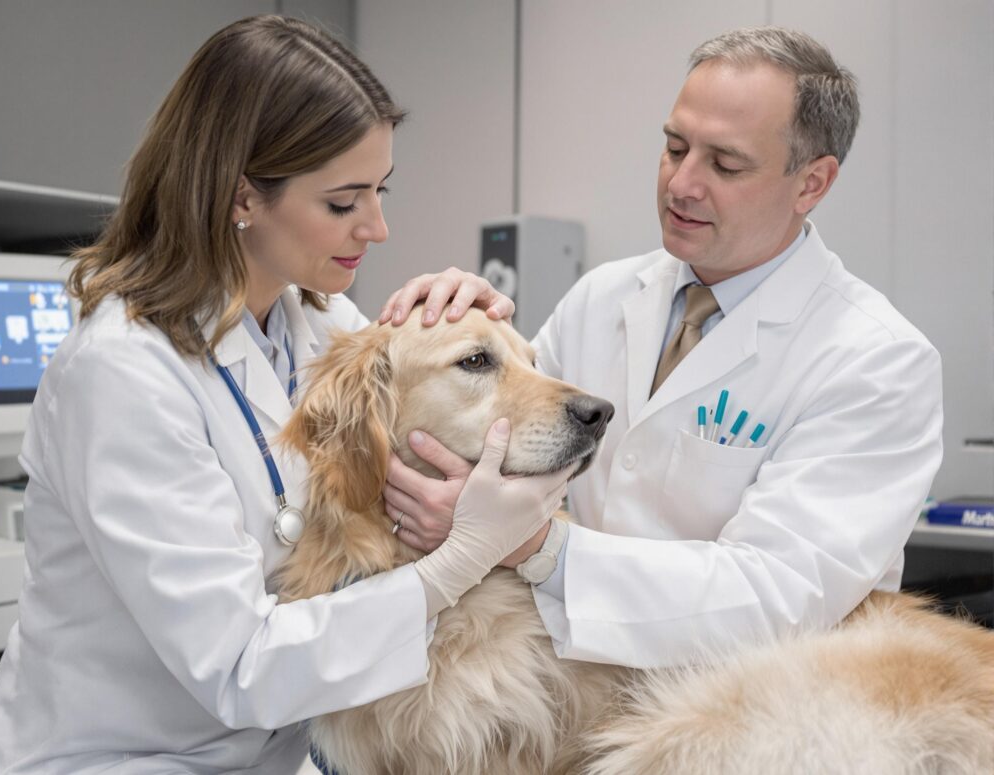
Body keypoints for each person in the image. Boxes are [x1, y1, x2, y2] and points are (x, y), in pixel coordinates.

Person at [0, 16, 569, 774]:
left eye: (380, 191)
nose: (378, 228)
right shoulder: (121, 373)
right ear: (241, 196)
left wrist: (476, 322)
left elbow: (450, 408)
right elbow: (239, 665)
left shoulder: (312, 319)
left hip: (273, 754)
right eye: (344, 202)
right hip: (117, 756)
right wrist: (459, 561)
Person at [382, 26, 943, 667]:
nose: (681, 185)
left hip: (743, 717)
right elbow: (503, 455)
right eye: (675, 148)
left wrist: (532, 546)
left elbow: (776, 597)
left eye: (725, 165)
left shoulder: (879, 360)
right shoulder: (602, 298)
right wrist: (451, 331)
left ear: (812, 183)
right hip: (565, 694)